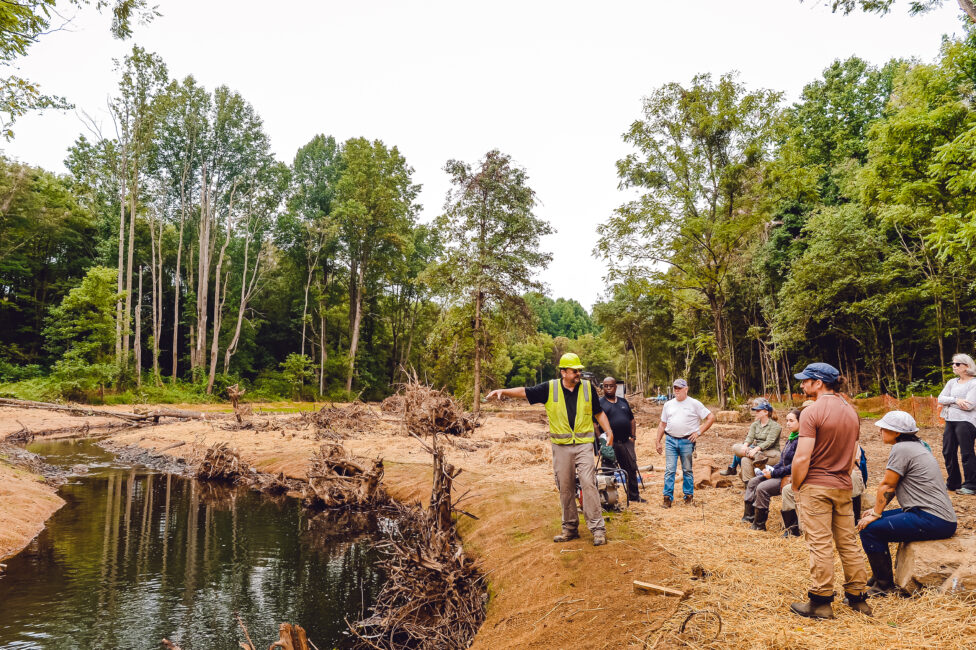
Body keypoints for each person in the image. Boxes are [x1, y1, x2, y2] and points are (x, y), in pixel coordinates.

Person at [486, 352, 614, 546]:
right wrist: (503, 391)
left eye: (579, 370)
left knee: (588, 483)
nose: (578, 373)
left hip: (583, 445)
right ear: (563, 372)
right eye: (574, 371)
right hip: (561, 447)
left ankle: (598, 529)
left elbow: (598, 412)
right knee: (565, 487)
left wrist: (609, 431)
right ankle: (570, 528)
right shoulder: (550, 388)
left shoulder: (588, 388)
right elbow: (525, 392)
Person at [789, 362, 871, 619]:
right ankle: (858, 598)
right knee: (848, 542)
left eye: (805, 380)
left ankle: (821, 602)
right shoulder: (851, 411)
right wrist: (842, 478)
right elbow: (852, 456)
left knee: (820, 545)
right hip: (843, 486)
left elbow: (802, 457)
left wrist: (795, 485)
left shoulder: (812, 412)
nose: (802, 385)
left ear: (819, 382)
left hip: (816, 485)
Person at [857, 411, 957, 596]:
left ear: (896, 433)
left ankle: (883, 586)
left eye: (883, 428)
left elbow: (888, 485)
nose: (879, 431)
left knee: (870, 529)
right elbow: (895, 486)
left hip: (932, 518)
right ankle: (879, 574)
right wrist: (875, 510)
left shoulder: (901, 449)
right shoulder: (917, 445)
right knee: (869, 520)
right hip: (933, 516)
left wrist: (877, 513)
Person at [655, 379, 715, 508]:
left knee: (687, 469)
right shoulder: (668, 405)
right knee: (670, 470)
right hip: (670, 440)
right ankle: (667, 498)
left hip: (687, 441)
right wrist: (658, 441)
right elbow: (662, 424)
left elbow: (711, 417)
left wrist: (699, 432)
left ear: (686, 389)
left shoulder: (694, 404)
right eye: (675, 388)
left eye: (679, 388)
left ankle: (688, 496)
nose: (676, 390)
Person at [742, 408, 800, 532]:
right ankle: (749, 517)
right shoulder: (792, 438)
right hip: (781, 473)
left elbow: (794, 466)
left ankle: (759, 524)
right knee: (753, 482)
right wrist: (771, 470)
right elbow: (783, 461)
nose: (788, 423)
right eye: (787, 420)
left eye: (791, 421)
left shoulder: (801, 440)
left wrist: (773, 473)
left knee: (762, 488)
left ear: (801, 422)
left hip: (791, 476)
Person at [597, 376, 643, 503]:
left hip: (625, 442)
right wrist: (599, 442)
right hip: (609, 443)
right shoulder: (600, 403)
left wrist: (633, 438)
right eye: (605, 386)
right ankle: (608, 500)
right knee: (608, 471)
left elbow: (632, 420)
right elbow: (595, 424)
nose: (608, 388)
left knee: (631, 468)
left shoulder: (623, 402)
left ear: (615, 387)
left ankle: (634, 496)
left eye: (611, 385)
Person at [937, 353, 976, 496]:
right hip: (950, 420)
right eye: (953, 363)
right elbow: (940, 399)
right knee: (948, 452)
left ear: (967, 366)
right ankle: (953, 482)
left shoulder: (974, 383)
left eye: (958, 364)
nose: (954, 366)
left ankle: (971, 485)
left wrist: (952, 402)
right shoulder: (952, 382)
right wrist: (956, 400)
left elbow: (970, 405)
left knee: (966, 453)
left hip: (966, 421)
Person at [722, 398, 782, 482]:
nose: (755, 413)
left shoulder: (775, 426)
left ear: (766, 412)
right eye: (755, 411)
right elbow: (749, 438)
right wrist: (745, 446)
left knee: (746, 457)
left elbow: (769, 442)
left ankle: (753, 460)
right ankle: (750, 485)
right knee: (737, 448)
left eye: (758, 411)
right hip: (755, 452)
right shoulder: (755, 425)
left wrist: (755, 449)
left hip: (771, 453)